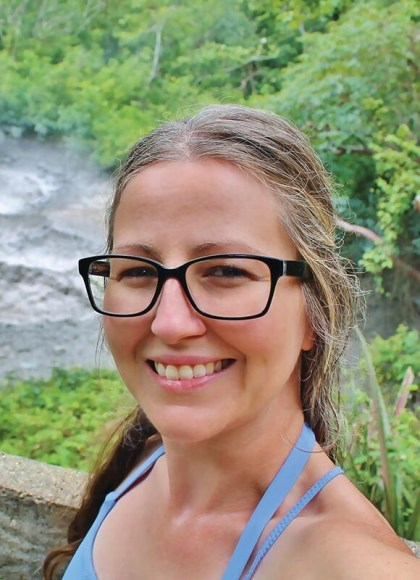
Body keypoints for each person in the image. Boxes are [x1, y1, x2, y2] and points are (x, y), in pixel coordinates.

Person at [44, 104, 419, 579]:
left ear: (314, 312)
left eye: (226, 270)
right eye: (137, 271)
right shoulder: (143, 459)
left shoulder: (350, 565)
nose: (170, 324)